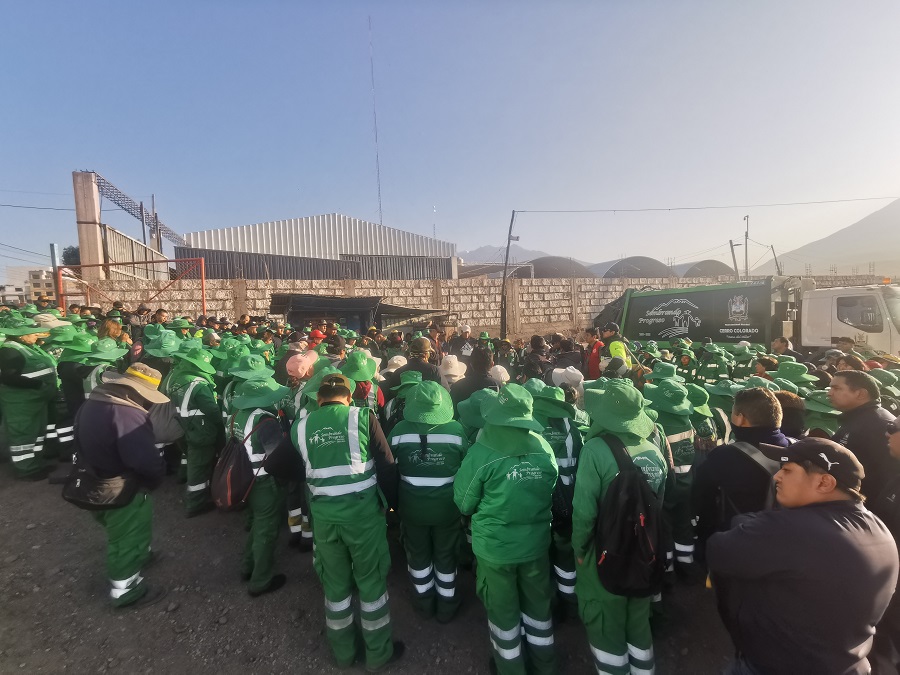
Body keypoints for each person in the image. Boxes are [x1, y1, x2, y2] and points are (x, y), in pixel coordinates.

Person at [707, 438, 899, 675]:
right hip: (849, 664)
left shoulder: (791, 530)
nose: (776, 477)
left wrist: (748, 522)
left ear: (825, 482)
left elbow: (719, 550)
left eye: (787, 470)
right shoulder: (878, 528)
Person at [266, 373, 403, 671]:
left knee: (335, 586)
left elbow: (273, 464)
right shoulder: (363, 418)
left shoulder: (301, 427)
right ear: (349, 396)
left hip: (325, 520)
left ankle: (343, 653)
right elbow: (388, 467)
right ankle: (378, 653)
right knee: (371, 583)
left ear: (318, 399)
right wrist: (391, 508)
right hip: (364, 518)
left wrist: (314, 470)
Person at [454, 384, 558, 675]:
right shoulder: (543, 447)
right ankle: (545, 666)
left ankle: (511, 668)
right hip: (536, 544)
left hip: (495, 550)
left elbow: (463, 502)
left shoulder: (481, 453)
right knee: (538, 609)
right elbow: (550, 487)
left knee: (503, 613)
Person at [572, 380, 668, 675]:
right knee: (638, 622)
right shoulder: (654, 451)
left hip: (604, 552)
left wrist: (580, 550)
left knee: (605, 623)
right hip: (644, 554)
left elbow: (584, 511)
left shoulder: (595, 450)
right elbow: (658, 508)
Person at [75, 363, 170, 608]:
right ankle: (125, 589)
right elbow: (143, 459)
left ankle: (142, 555)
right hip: (122, 486)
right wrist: (156, 477)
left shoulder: (94, 403)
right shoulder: (128, 415)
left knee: (122, 529)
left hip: (95, 481)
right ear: (137, 393)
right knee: (126, 536)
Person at [388, 381, 468, 622]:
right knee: (445, 555)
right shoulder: (456, 431)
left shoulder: (400, 430)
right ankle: (446, 606)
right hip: (447, 509)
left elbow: (387, 464)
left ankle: (423, 603)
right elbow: (466, 466)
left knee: (418, 555)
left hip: (411, 508)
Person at [692, 387, 790, 558]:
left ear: (740, 418)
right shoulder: (798, 450)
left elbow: (700, 500)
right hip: (785, 544)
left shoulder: (723, 457)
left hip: (737, 545)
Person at [227, 377, 291, 596]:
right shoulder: (266, 421)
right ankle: (260, 580)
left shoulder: (236, 414)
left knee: (258, 524)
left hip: (246, 479)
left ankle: (247, 565)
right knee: (266, 530)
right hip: (264, 482)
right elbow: (276, 457)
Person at [165, 347, 224, 517]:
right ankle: (195, 502)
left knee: (193, 461)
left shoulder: (178, 378)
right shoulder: (198, 384)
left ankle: (196, 495)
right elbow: (212, 410)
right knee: (199, 466)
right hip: (201, 430)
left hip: (182, 427)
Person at [0, 320, 56, 480]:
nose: (36, 335)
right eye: (33, 333)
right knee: (23, 436)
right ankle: (26, 469)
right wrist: (38, 384)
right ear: (21, 335)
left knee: (36, 433)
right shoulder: (10, 352)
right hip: (21, 403)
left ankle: (36, 463)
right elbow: (8, 377)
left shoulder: (27, 346)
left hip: (35, 401)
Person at [830, 370, 897, 501]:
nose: (829, 393)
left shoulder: (879, 424)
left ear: (860, 394)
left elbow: (886, 477)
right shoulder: (857, 417)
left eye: (836, 388)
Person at [449, 344, 501, 414]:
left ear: (471, 364)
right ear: (492, 364)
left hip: (463, 423)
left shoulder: (458, 386)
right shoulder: (498, 386)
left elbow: (452, 412)